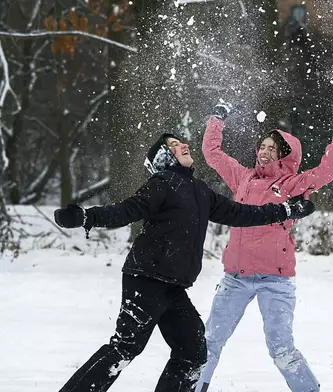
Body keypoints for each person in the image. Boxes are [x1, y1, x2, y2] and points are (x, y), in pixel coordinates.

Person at [53, 132, 315, 392]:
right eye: (174, 146)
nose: (183, 145)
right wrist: (87, 217)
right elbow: (127, 209)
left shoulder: (200, 191)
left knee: (193, 351)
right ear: (165, 157)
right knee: (125, 347)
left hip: (173, 288)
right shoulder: (162, 183)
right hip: (146, 279)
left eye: (181, 142)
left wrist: (286, 210)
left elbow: (241, 213)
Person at [193, 103, 333, 392]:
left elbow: (325, 172)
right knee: (209, 341)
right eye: (262, 146)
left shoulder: (291, 183)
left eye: (272, 149)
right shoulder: (242, 177)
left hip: (275, 281)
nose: (264, 152)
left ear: (285, 155)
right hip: (235, 278)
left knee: (281, 349)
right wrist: (217, 119)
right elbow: (212, 155)